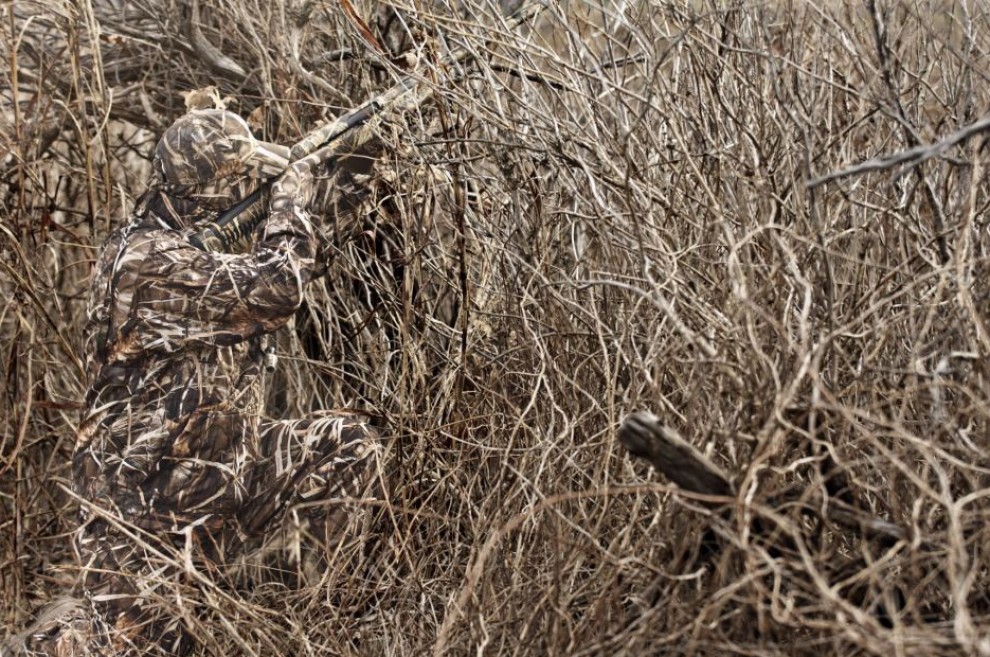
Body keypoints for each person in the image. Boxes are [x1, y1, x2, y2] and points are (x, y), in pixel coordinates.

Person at [12, 109, 384, 656]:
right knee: (130, 646)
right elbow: (277, 290)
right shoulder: (144, 263)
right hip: (148, 511)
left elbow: (302, 255)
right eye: (240, 180)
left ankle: (316, 626)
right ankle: (54, 636)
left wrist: (362, 159)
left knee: (348, 447)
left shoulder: (196, 248)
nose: (250, 189)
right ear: (211, 193)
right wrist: (287, 203)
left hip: (226, 475)